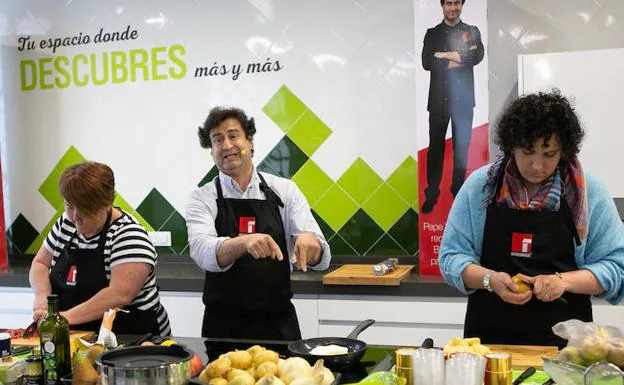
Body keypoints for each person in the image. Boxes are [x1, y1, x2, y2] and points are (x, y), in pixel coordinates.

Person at [438, 90, 624, 347]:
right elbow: (451, 257)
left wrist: (562, 282)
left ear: (564, 151)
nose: (537, 165)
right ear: (511, 145)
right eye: (527, 151)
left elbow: (616, 266)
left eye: (549, 154)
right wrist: (490, 280)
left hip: (567, 349)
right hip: (489, 345)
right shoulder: (480, 187)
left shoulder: (589, 192)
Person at [186, 106, 331, 340]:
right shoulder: (202, 198)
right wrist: (243, 243)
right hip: (222, 328)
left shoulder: (284, 190)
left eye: (233, 136)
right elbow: (202, 252)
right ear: (211, 150)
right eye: (217, 140)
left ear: (249, 141)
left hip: (278, 324)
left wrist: (310, 244)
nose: (226, 145)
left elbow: (321, 258)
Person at [29, 161, 171, 335]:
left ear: (107, 203)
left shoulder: (128, 234)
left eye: (85, 209)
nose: (75, 217)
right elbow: (40, 264)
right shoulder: (65, 223)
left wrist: (64, 318)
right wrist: (42, 299)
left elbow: (119, 295)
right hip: (76, 333)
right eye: (69, 206)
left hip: (131, 337)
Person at [421, 0, 484, 214]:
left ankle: (458, 190)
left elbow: (476, 56)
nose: (453, 8)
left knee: (461, 149)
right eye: (449, 3)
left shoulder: (471, 31)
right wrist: (459, 57)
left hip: (464, 101)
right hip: (438, 101)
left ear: (462, 5)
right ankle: (432, 193)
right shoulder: (432, 33)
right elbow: (427, 62)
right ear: (442, 6)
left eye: (457, 3)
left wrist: (443, 55)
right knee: (435, 150)